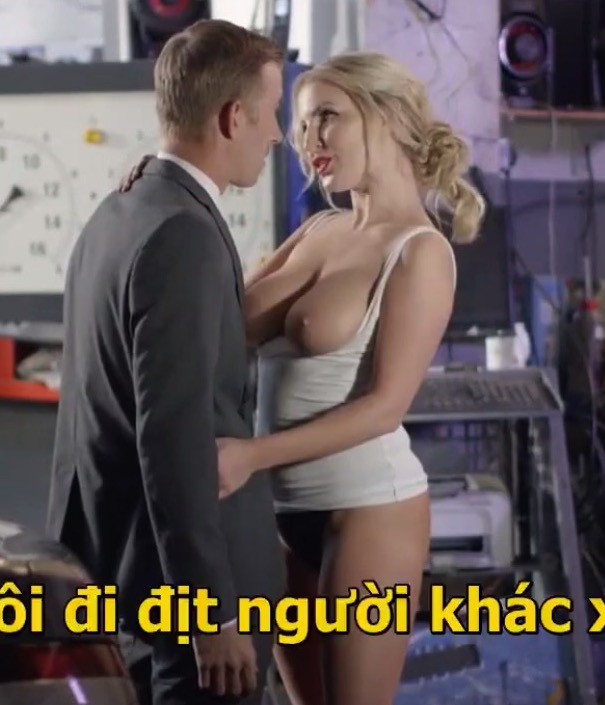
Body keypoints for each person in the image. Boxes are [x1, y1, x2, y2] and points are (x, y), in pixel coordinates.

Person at [120, 51, 486, 705]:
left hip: (368, 510)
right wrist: (158, 194)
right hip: (284, 515)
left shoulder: (420, 251)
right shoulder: (319, 229)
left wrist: (252, 455)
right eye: (301, 123)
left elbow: (385, 407)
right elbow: (218, 315)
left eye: (327, 117)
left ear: (385, 116)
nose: (308, 139)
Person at [45, 19, 288, 705]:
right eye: (271, 114)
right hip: (183, 598)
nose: (277, 135)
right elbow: (173, 435)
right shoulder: (183, 233)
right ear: (232, 117)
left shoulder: (117, 211)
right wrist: (210, 612)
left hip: (121, 572)